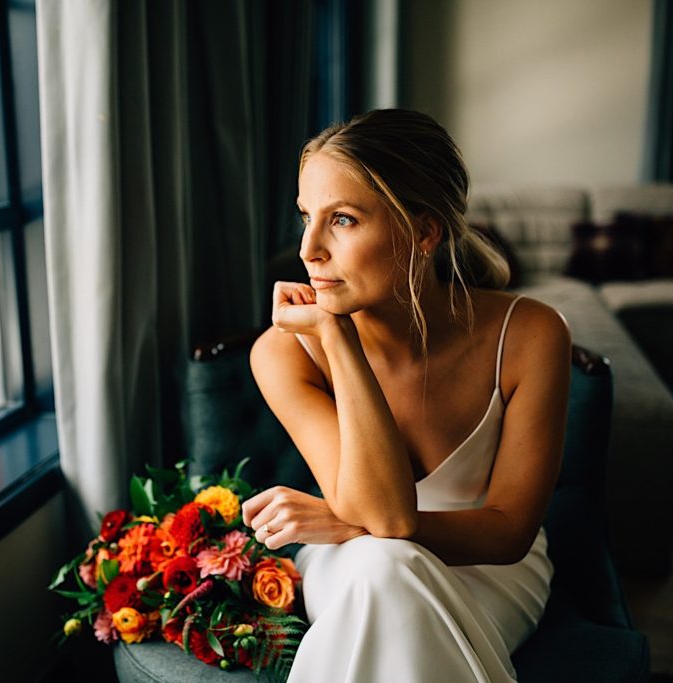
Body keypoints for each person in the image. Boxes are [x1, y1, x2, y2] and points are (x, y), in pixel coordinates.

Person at [240, 109, 571, 682]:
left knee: (383, 562)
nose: (309, 249)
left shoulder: (532, 334)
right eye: (306, 217)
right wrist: (336, 338)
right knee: (380, 565)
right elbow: (382, 515)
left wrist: (354, 522)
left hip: (486, 567)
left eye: (341, 219)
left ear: (424, 231)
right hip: (346, 559)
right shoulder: (283, 352)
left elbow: (507, 531)